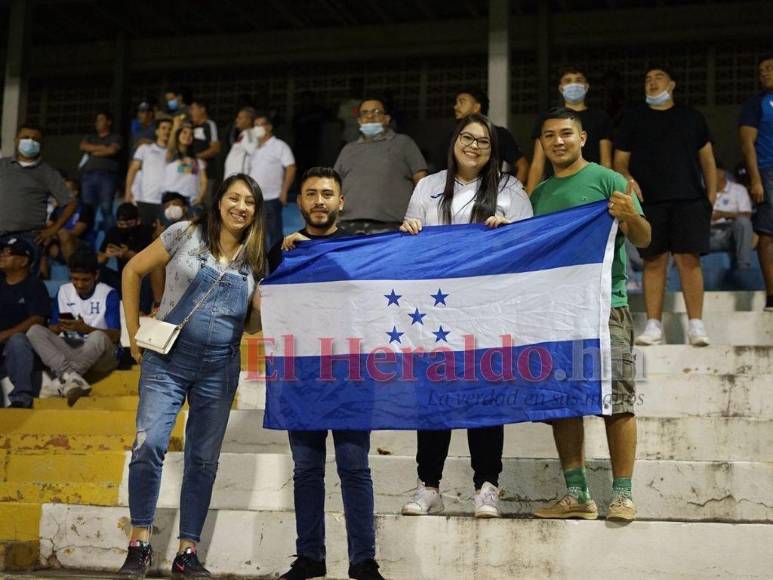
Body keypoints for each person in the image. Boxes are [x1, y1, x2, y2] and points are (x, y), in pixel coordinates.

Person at [117, 174, 264, 579]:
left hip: (219, 367)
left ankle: (187, 552)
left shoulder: (254, 256)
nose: (241, 207)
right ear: (218, 201)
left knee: (203, 460)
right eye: (234, 198)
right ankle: (139, 543)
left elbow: (251, 326)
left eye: (249, 201)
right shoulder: (186, 232)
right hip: (167, 360)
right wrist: (133, 335)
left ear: (257, 210)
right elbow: (132, 271)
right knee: (149, 446)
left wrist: (264, 305)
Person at [399, 113, 533, 519]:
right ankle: (429, 487)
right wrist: (408, 230)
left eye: (484, 142)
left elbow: (529, 246)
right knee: (434, 399)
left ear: (494, 150)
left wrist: (507, 231)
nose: (474, 146)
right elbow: (410, 248)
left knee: (484, 400)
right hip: (438, 311)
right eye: (467, 137)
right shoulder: (427, 186)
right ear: (454, 140)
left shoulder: (510, 188)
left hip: (486, 312)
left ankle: (486, 487)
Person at [530, 107, 651, 522]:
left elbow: (645, 236)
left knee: (617, 400)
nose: (558, 141)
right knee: (563, 403)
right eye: (549, 135)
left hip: (606, 305)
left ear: (582, 137)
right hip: (557, 312)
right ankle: (577, 494)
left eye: (566, 133)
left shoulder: (609, 179)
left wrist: (630, 215)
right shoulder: (539, 195)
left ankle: (622, 495)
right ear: (542, 143)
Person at [268, 167, 384, 580]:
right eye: (311, 194)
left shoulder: (363, 247)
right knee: (306, 470)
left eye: (327, 194)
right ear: (299, 203)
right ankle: (310, 558)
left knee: (354, 468)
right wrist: (280, 255)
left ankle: (363, 561)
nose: (319, 201)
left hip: (352, 375)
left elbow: (404, 269)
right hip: (300, 376)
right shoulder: (281, 251)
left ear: (341, 202)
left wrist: (410, 232)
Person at [614, 67, 716, 346]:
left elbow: (707, 160)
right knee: (654, 261)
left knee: (688, 260)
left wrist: (712, 196)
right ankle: (653, 325)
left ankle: (696, 325)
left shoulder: (692, 117)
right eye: (647, 79)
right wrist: (629, 179)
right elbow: (620, 162)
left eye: (658, 77)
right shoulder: (633, 118)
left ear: (672, 83)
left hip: (689, 199)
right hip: (650, 202)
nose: (652, 82)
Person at [26, 249, 121, 407]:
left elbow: (115, 335)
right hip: (74, 347)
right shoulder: (64, 291)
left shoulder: (108, 293)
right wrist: (58, 327)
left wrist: (86, 329)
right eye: (75, 279)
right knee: (34, 331)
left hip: (103, 355)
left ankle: (64, 380)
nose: (79, 284)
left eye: (85, 280)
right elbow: (54, 327)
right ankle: (71, 377)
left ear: (96, 276)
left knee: (97, 336)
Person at [334, 98, 427, 235]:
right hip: (347, 225)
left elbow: (421, 181)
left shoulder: (403, 143)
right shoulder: (348, 149)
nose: (370, 116)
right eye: (364, 113)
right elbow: (333, 186)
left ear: (387, 118)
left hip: (391, 226)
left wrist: (419, 216)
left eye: (376, 112)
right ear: (359, 120)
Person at [525, 66, 614, 193]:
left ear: (586, 86)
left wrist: (605, 190)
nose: (573, 84)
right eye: (568, 81)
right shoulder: (547, 120)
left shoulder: (600, 118)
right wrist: (529, 197)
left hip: (591, 187)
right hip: (555, 188)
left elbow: (606, 161)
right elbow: (538, 164)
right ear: (561, 88)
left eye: (578, 80)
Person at [0, 124, 77, 268]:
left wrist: (53, 230)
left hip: (28, 238)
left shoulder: (48, 172)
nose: (30, 141)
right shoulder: (2, 165)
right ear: (16, 140)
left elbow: (70, 203)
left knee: (23, 286)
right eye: (25, 138)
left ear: (41, 144)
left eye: (35, 139)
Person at [739, 54, 773, 311]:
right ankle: (772, 294)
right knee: (767, 234)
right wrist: (756, 179)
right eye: (761, 70)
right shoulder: (756, 103)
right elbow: (747, 143)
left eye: (770, 68)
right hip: (768, 171)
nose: (765, 73)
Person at [0, 238, 50, 408]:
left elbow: (37, 319)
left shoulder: (34, 285)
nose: (2, 256)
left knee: (18, 341)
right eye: (2, 252)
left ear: (23, 261)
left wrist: (6, 334)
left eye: (9, 254)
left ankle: (21, 397)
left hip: (23, 346)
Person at [453, 88, 529, 183]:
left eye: (462, 102)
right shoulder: (452, 136)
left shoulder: (499, 134)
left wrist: (513, 193)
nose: (456, 107)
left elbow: (522, 165)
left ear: (477, 107)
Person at [247, 113, 297, 249]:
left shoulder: (279, 145)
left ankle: (277, 267)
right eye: (255, 125)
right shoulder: (254, 149)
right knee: (256, 237)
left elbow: (291, 167)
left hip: (272, 198)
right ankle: (260, 268)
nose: (257, 128)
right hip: (255, 199)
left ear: (269, 127)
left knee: (274, 237)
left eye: (260, 124)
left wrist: (284, 191)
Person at [125, 118, 174, 226]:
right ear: (156, 131)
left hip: (165, 203)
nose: (167, 131)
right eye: (163, 128)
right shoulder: (144, 148)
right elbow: (132, 170)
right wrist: (127, 193)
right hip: (144, 200)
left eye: (170, 129)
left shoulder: (174, 153)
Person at [79, 111, 122, 231]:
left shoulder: (115, 137)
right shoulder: (90, 137)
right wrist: (103, 148)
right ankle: (88, 239)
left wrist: (93, 151)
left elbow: (112, 151)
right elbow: (83, 146)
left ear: (109, 121)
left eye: (101, 119)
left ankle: (110, 238)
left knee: (106, 207)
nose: (97, 123)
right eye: (97, 120)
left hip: (107, 176)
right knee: (87, 209)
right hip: (88, 176)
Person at [43, 177, 96, 275]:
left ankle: (73, 272)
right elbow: (48, 227)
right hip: (60, 245)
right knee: (41, 237)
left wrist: (55, 233)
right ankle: (42, 276)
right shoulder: (58, 209)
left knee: (63, 234)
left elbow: (77, 232)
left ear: (75, 192)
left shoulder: (85, 208)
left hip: (81, 247)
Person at [710, 165, 754, 271]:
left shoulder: (738, 190)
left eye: (711, 171)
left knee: (743, 222)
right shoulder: (703, 191)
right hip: (708, 235)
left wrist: (724, 214)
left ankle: (743, 268)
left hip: (729, 235)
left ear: (721, 173)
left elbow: (747, 215)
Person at [98, 203, 155, 275]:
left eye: (129, 224)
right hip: (123, 275)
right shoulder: (114, 232)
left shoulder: (146, 232)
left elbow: (150, 260)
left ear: (138, 221)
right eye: (121, 224)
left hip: (145, 275)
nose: (124, 227)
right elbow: (100, 257)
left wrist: (127, 255)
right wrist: (106, 255)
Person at [164, 119, 208, 208]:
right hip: (172, 199)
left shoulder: (197, 161)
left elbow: (204, 181)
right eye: (184, 132)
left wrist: (200, 197)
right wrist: (176, 127)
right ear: (177, 135)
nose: (188, 136)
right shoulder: (172, 154)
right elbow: (172, 145)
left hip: (192, 201)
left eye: (191, 134)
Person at [189, 98, 221, 198]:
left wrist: (196, 157)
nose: (191, 112)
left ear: (202, 109)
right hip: (192, 172)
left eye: (193, 109)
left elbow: (216, 149)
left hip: (208, 174)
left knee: (206, 203)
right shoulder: (190, 128)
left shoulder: (209, 125)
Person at [224, 107, 257, 178]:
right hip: (234, 178)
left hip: (240, 179)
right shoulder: (244, 134)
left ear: (249, 120)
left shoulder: (249, 134)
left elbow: (255, 154)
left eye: (240, 118)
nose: (236, 120)